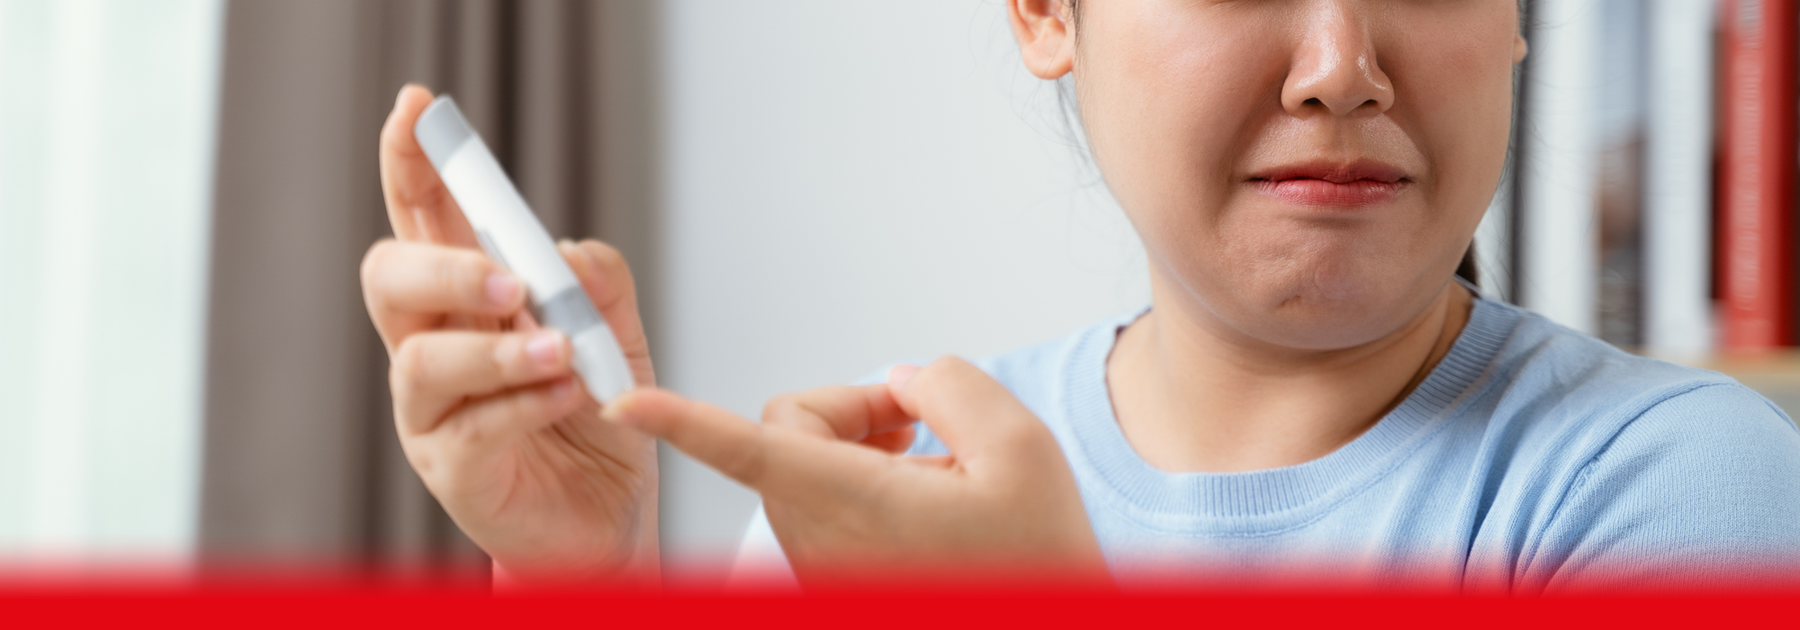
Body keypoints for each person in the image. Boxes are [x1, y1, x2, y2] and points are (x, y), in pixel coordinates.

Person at [359, 0, 1800, 592]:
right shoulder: (897, 482)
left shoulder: (1681, 491)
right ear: (1050, 12)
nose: (1340, 67)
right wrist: (577, 580)